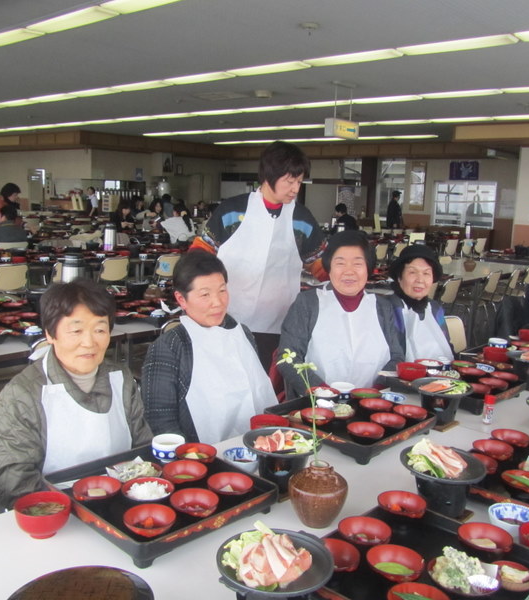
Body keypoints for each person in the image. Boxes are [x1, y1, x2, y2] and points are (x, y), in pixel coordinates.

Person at [0, 280, 153, 506]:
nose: (89, 342)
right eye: (76, 331)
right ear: (50, 334)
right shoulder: (23, 395)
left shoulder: (121, 377)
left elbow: (143, 447)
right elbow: (12, 484)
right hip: (57, 511)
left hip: (123, 504)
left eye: (100, 330)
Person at [191, 141, 327, 371]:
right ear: (268, 175)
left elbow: (319, 264)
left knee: (267, 383)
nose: (295, 189)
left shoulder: (302, 218)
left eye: (299, 182)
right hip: (225, 318)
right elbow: (198, 257)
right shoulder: (231, 211)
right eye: (290, 182)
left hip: (278, 323)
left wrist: (345, 275)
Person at [141, 251, 276, 443]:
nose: (218, 303)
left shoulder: (242, 334)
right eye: (205, 294)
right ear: (181, 299)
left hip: (258, 445)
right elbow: (160, 420)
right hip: (201, 453)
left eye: (222, 291)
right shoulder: (169, 348)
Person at [277, 231, 403, 397]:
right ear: (329, 268)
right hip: (319, 403)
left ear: (368, 268)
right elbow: (288, 358)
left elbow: (397, 357)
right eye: (340, 263)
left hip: (372, 401)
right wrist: (323, 392)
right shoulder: (307, 303)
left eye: (357, 264)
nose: (348, 271)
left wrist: (374, 392)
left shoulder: (382, 307)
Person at [387, 245, 454, 361]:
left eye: (426, 273)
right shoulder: (388, 309)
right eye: (412, 272)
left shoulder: (435, 309)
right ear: (399, 277)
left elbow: (447, 345)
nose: (420, 280)